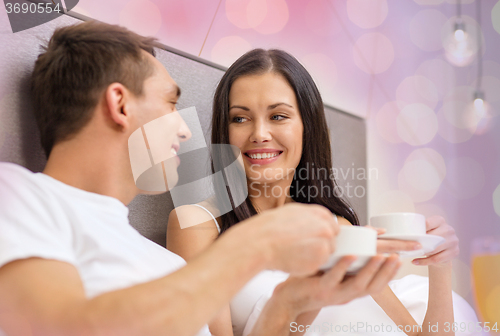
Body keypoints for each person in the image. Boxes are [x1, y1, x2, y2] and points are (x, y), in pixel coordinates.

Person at [0, 22, 405, 336]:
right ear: (120, 104)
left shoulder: (163, 263)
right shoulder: (18, 193)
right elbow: (55, 327)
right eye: (171, 103)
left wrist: (290, 303)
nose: (186, 130)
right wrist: (256, 244)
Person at [166, 49, 474, 336]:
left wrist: (439, 265)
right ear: (225, 129)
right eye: (240, 118)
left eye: (278, 116)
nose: (259, 134)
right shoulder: (197, 224)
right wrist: (308, 293)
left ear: (306, 126)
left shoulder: (336, 226)